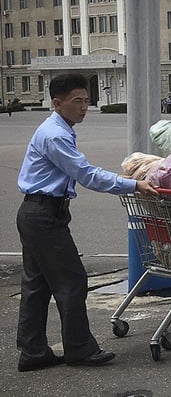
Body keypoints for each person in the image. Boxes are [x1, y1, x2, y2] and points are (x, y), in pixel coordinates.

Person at [16, 73, 159, 371]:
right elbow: (87, 175)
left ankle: (33, 352)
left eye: (86, 100)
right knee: (72, 281)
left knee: (38, 285)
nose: (84, 107)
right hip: (43, 216)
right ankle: (79, 350)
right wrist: (134, 184)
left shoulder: (59, 128)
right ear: (57, 103)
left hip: (37, 213)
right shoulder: (55, 135)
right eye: (77, 101)